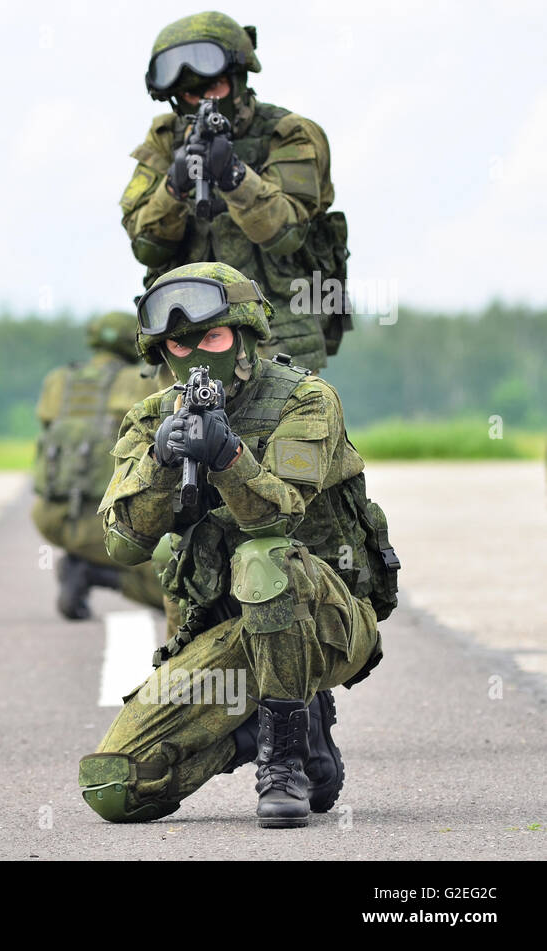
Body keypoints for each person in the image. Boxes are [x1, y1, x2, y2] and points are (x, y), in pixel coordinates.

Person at [78, 262, 399, 828]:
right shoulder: (149, 418)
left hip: (324, 618)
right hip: (230, 632)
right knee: (115, 787)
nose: (195, 354)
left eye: (213, 337)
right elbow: (123, 545)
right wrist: (160, 461)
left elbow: (278, 516)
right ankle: (255, 732)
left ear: (246, 340)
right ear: (160, 354)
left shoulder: (305, 402)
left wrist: (227, 458)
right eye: (178, 343)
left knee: (262, 557)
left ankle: (284, 762)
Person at [120, 11, 350, 373]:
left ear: (238, 80)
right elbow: (147, 245)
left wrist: (234, 178)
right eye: (191, 94)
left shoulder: (289, 134)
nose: (202, 101)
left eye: (213, 88)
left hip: (276, 332)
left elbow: (286, 233)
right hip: (185, 333)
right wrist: (173, 187)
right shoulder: (166, 140)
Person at [31, 311, 165, 619]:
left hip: (49, 516)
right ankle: (93, 572)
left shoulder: (58, 380)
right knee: (183, 584)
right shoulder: (139, 381)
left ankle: (83, 565)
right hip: (104, 522)